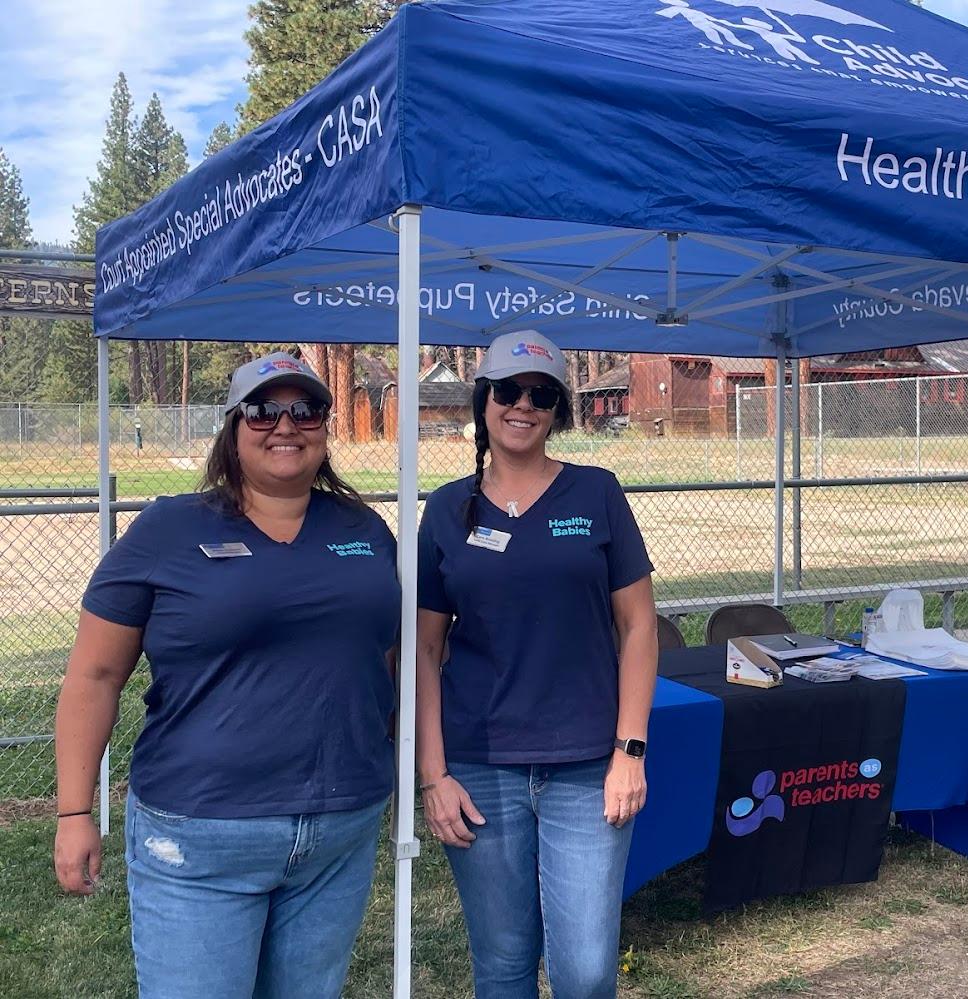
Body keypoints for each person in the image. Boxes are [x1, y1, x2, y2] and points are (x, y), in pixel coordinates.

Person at [53, 352, 400, 999]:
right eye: (264, 409)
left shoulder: (365, 530)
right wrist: (76, 811)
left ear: (325, 425)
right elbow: (94, 675)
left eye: (306, 409)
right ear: (234, 426)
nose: (285, 424)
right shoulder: (168, 529)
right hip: (199, 834)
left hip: (338, 831)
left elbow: (392, 658)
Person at [416, 329, 658, 998]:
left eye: (541, 394)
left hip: (586, 766)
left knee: (584, 970)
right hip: (478, 768)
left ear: (557, 410)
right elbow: (423, 648)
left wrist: (628, 750)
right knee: (502, 963)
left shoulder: (596, 493)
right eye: (507, 390)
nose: (521, 405)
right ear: (482, 399)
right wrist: (432, 774)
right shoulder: (445, 508)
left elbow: (638, 626)